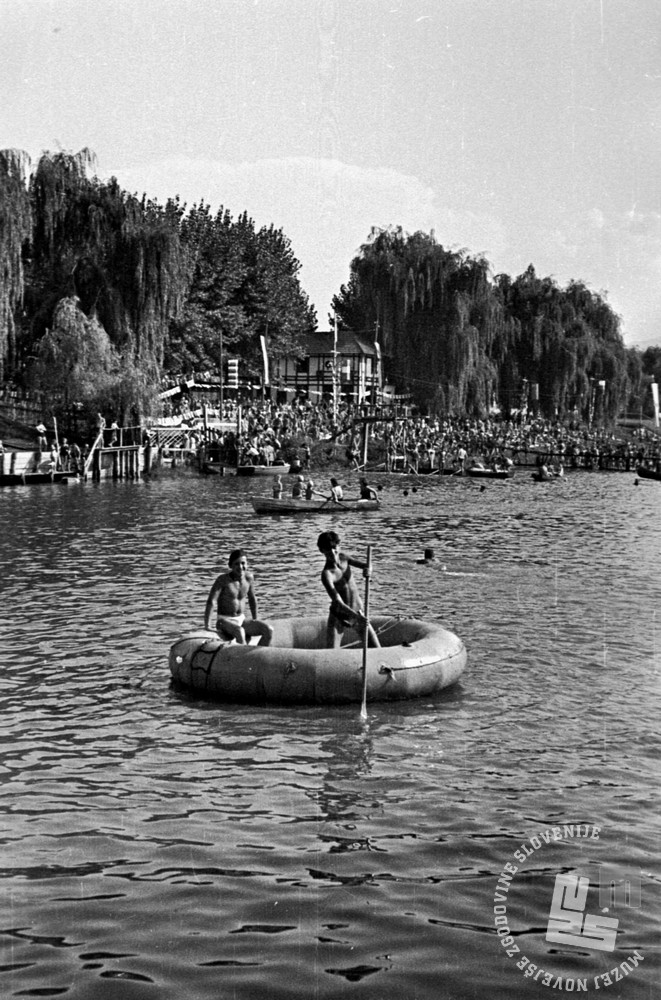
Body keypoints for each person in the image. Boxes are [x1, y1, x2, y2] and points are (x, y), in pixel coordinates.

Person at [316, 531, 380, 649]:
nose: (332, 552)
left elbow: (367, 565)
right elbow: (337, 601)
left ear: (339, 546)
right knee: (332, 654)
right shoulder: (327, 574)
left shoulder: (344, 558)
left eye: (334, 548)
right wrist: (355, 618)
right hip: (340, 615)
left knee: (376, 648)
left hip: (358, 610)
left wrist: (368, 570)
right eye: (327, 550)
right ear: (322, 551)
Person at [204, 549, 273, 646]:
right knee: (240, 631)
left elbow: (252, 599)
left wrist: (255, 619)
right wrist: (207, 626)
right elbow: (211, 601)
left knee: (268, 630)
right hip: (224, 621)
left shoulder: (249, 578)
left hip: (241, 618)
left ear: (247, 564)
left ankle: (258, 656)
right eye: (236, 564)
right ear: (230, 566)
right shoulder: (223, 580)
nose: (240, 567)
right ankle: (244, 658)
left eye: (243, 563)